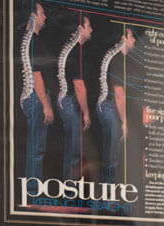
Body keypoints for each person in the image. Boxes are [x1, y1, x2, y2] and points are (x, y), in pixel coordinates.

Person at [19, 2, 54, 179]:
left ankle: (32, 192)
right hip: (35, 97)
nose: (45, 16)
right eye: (42, 13)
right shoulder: (34, 40)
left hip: (31, 97)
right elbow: (36, 74)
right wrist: (46, 105)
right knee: (37, 151)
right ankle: (33, 192)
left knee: (36, 150)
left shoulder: (29, 38)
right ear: (33, 16)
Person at [56, 14, 92, 180]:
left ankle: (70, 191)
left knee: (72, 149)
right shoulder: (75, 51)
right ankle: (71, 193)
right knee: (75, 150)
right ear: (79, 29)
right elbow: (79, 85)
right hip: (69, 100)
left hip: (65, 100)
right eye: (88, 26)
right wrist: (86, 113)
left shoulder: (70, 48)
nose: (91, 29)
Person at [97, 27, 135, 184]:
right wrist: (124, 121)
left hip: (104, 106)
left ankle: (107, 196)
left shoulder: (114, 57)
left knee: (109, 155)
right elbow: (119, 93)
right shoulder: (119, 59)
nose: (134, 40)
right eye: (131, 37)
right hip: (111, 107)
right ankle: (110, 200)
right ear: (123, 38)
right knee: (114, 156)